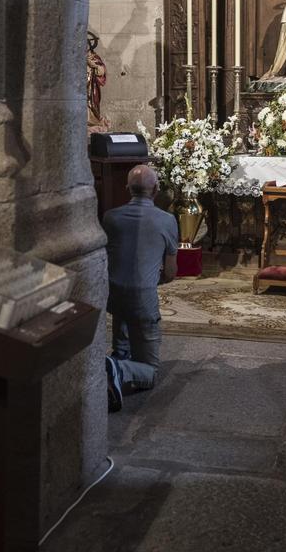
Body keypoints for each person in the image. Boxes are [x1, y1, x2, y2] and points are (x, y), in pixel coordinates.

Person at [102, 164, 179, 412]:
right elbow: (170, 272)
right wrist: (150, 280)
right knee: (150, 373)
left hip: (112, 296)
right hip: (143, 298)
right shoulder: (167, 220)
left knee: (123, 330)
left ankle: (117, 361)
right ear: (156, 189)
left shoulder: (110, 217)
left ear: (127, 189)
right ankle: (116, 368)